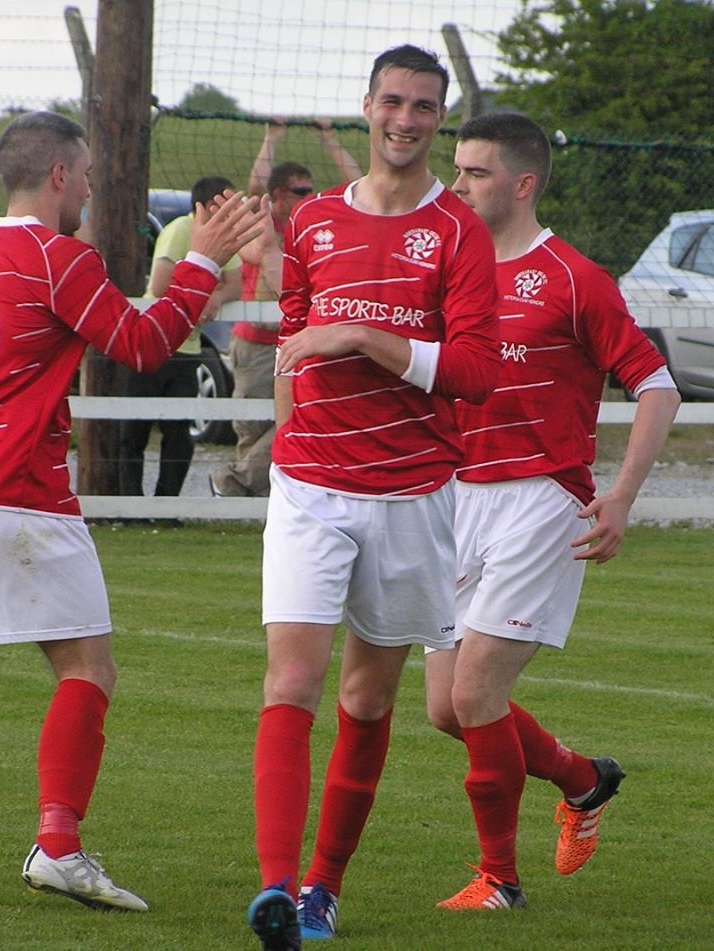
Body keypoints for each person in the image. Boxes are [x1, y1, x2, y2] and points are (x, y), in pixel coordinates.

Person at [0, 111, 265, 904]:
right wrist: (204, 260)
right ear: (60, 175)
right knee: (89, 668)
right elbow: (145, 345)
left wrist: (193, 277)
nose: (93, 188)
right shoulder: (57, 255)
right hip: (13, 491)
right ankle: (59, 847)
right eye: (90, 174)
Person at [246, 46, 500, 949]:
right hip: (311, 484)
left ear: (441, 120)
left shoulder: (460, 231)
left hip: (411, 492)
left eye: (423, 106)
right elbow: (293, 342)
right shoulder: (313, 219)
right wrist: (286, 451)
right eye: (393, 101)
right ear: (366, 106)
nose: (405, 119)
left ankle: (324, 886)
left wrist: (360, 334)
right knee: (292, 679)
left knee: (364, 697)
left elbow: (473, 371)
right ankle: (276, 889)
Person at [425, 112, 681, 910]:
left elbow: (657, 385)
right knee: (446, 708)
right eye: (457, 169)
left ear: (523, 183)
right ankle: (583, 778)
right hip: (454, 499)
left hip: (540, 500)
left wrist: (621, 496)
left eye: (476, 172)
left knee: (475, 695)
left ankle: (498, 879)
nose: (458, 185)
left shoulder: (572, 276)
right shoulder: (449, 271)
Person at [210, 120, 361, 499]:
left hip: (293, 340)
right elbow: (255, 188)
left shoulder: (310, 225)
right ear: (280, 194)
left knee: (289, 421)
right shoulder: (266, 222)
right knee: (251, 429)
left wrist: (329, 139)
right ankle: (249, 501)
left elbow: (359, 186)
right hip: (255, 342)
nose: (310, 195)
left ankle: (234, 484)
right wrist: (270, 138)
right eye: (302, 191)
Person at [118, 175, 243, 498]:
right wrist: (203, 294)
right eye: (229, 205)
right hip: (154, 342)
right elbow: (160, 285)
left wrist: (215, 296)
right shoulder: (179, 231)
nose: (235, 212)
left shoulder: (224, 240)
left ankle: (167, 505)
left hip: (188, 348)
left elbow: (235, 285)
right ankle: (131, 508)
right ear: (208, 206)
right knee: (134, 431)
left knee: (179, 434)